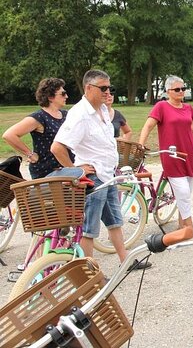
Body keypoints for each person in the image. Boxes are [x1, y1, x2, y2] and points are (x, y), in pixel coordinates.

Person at [51, 69, 150, 270]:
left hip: (108, 175)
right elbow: (57, 147)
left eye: (109, 88)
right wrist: (76, 170)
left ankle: (126, 261)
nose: (108, 92)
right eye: (103, 88)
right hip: (93, 179)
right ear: (88, 88)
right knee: (90, 229)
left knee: (115, 221)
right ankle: (89, 272)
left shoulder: (102, 110)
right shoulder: (80, 115)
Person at [138, 76, 193, 239]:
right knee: (183, 191)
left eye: (183, 88)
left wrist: (189, 130)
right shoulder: (161, 107)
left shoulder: (188, 107)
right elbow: (148, 126)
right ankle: (189, 228)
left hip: (189, 151)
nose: (181, 92)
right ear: (168, 92)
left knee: (187, 189)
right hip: (172, 154)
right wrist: (141, 144)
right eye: (177, 89)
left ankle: (182, 223)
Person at [3, 78, 74, 179]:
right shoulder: (39, 117)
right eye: (63, 93)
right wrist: (30, 154)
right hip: (47, 172)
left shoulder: (66, 115)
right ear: (50, 97)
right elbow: (9, 135)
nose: (66, 96)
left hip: (67, 167)